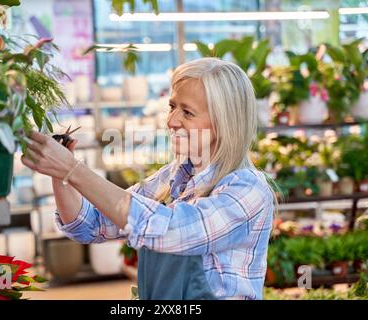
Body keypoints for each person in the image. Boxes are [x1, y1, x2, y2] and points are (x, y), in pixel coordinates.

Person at [21, 57, 276, 300]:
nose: (172, 120)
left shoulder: (247, 189)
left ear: (224, 122)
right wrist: (60, 174)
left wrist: (74, 170)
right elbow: (90, 224)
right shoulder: (172, 178)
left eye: (187, 112)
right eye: (172, 106)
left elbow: (171, 232)